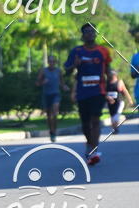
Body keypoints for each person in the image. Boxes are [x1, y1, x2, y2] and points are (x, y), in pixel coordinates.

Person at [64, 23, 112, 165]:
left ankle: (94, 151)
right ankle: (89, 145)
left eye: (92, 31)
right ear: (82, 35)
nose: (90, 34)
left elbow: (108, 70)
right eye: (87, 32)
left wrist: (110, 89)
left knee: (95, 120)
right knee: (85, 124)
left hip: (99, 91)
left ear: (95, 34)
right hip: (82, 92)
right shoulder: (76, 51)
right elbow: (66, 70)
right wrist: (75, 65)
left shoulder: (103, 51)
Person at [35, 55, 64, 141]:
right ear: (48, 62)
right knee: (49, 116)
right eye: (50, 62)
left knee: (55, 113)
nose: (51, 63)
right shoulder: (43, 71)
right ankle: (51, 132)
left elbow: (62, 82)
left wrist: (64, 87)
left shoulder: (59, 71)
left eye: (53, 62)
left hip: (56, 94)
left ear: (55, 62)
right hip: (46, 95)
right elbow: (37, 83)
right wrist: (42, 82)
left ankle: (54, 131)